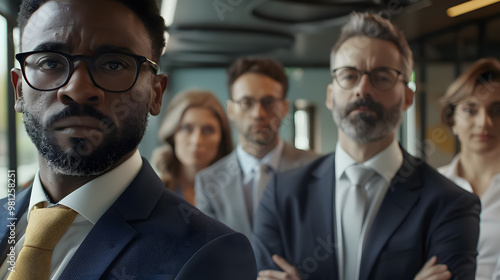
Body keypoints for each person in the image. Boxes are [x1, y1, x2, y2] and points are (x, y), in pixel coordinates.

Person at [0, 0, 256, 279]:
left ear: (155, 94)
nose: (78, 89)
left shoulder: (209, 254)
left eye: (112, 64)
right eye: (50, 62)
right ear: (19, 91)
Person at [253, 12, 480, 280]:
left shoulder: (450, 204)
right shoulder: (281, 196)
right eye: (349, 76)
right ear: (330, 94)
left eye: (382, 77)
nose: (362, 89)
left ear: (407, 96)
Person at [195, 57, 319, 239]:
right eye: (246, 103)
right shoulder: (208, 183)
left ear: (284, 108)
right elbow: (208, 250)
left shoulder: (317, 168)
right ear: (231, 110)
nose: (258, 113)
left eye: (268, 102)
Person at [439, 58, 500, 280]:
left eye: (497, 110)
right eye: (470, 110)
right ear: (452, 120)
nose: (484, 122)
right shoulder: (430, 188)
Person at [152, 90, 233, 205]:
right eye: (186, 128)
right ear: (172, 134)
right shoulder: (154, 189)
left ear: (222, 138)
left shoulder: (236, 191)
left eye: (208, 130)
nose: (197, 140)